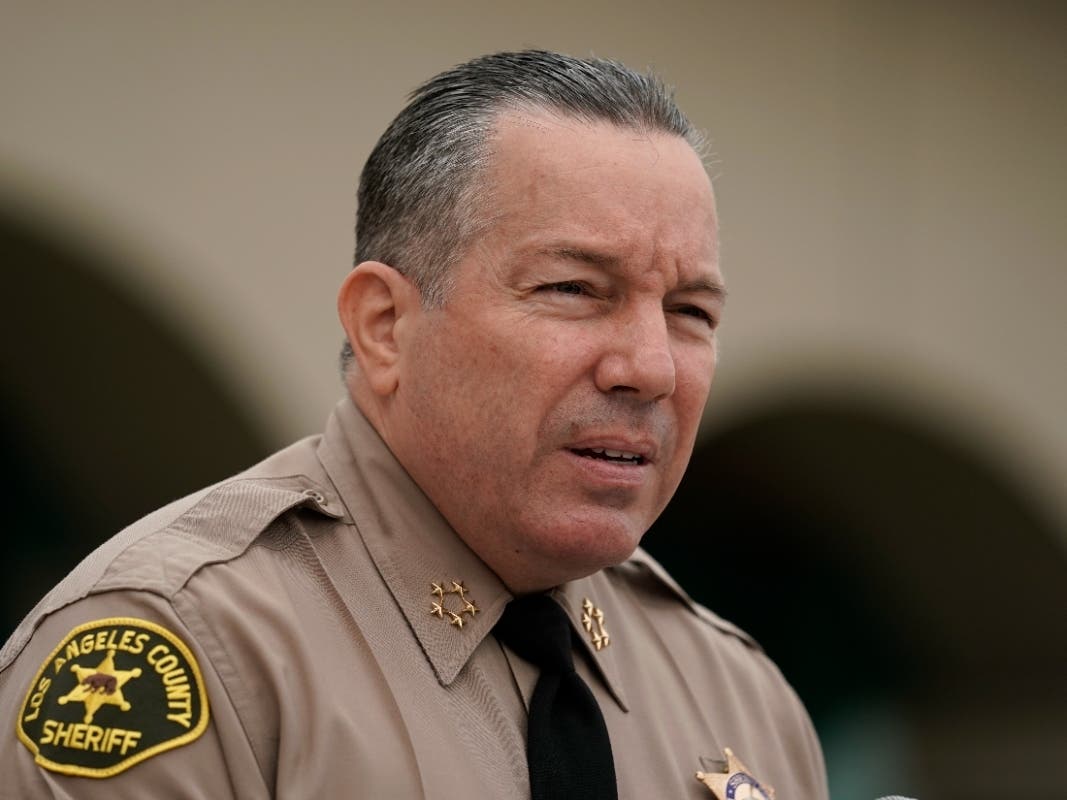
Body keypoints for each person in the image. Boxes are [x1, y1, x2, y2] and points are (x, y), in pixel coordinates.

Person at [0, 50, 828, 799]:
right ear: (384, 326)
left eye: (689, 311)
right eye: (574, 290)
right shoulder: (185, 648)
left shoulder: (739, 696)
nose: (649, 366)